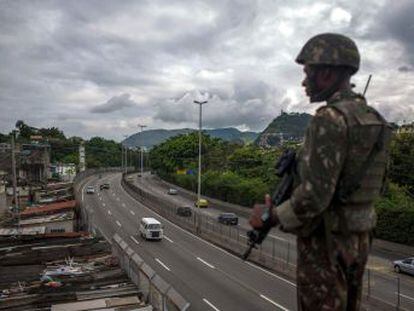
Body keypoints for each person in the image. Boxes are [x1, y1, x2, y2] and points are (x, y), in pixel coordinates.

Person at [249, 33, 392, 310]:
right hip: (359, 238)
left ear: (326, 73)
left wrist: (270, 215)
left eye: (307, 73)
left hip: (326, 242)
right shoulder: (376, 121)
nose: (304, 82)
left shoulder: (329, 119)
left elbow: (314, 198)